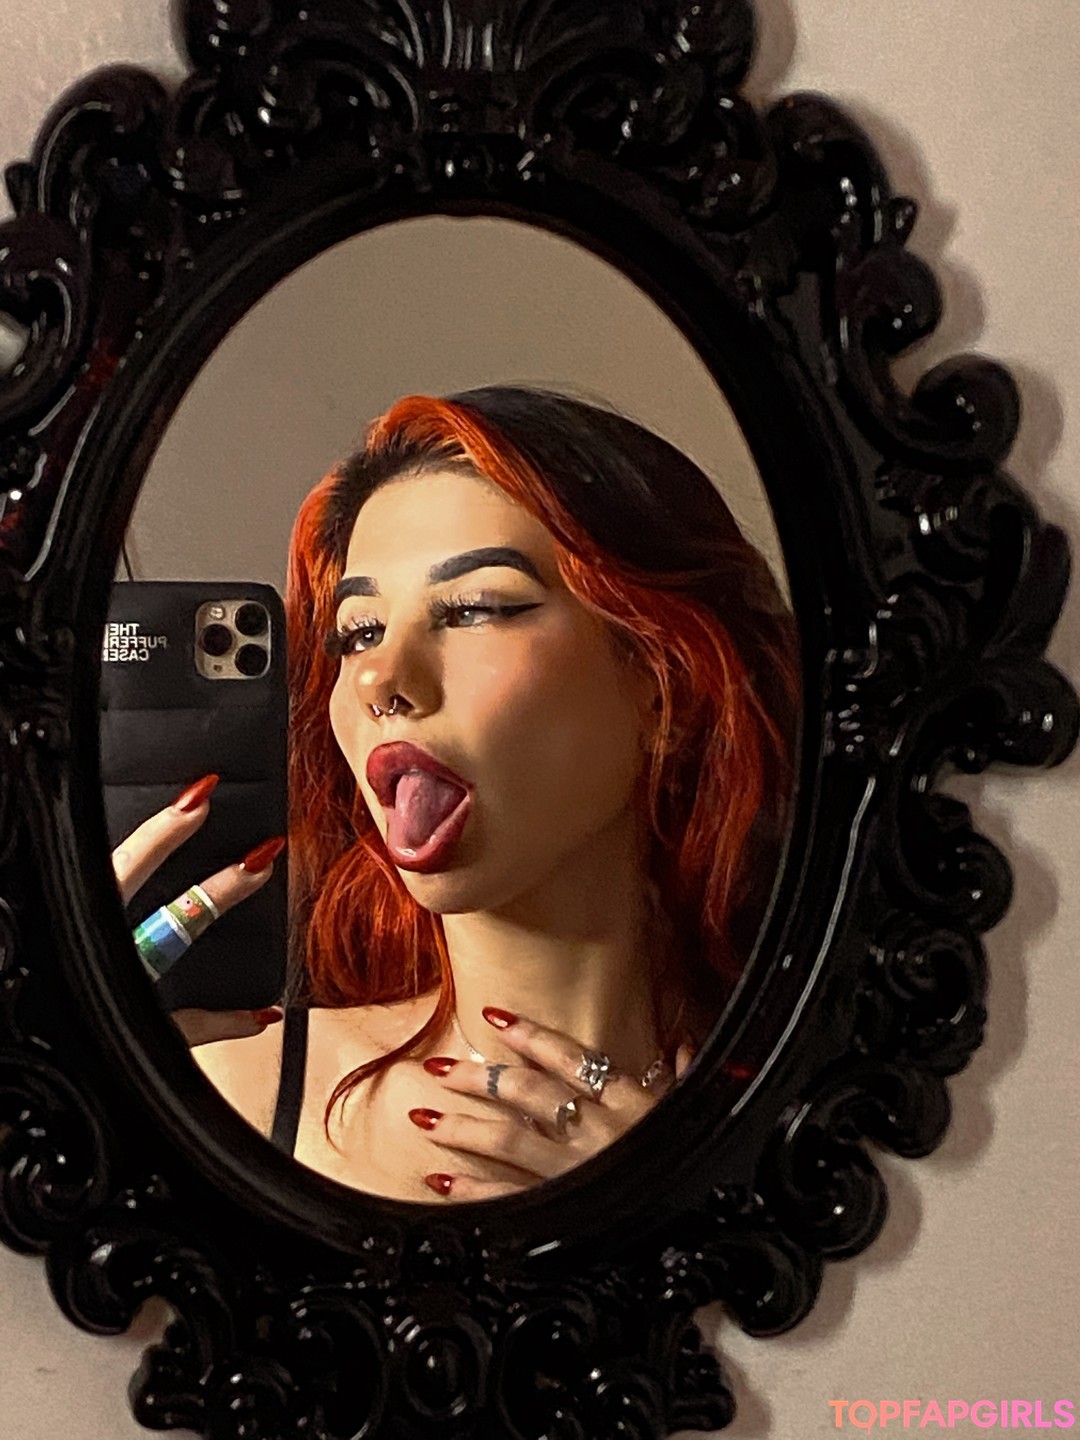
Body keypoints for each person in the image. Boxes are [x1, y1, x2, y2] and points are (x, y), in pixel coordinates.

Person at [113, 386, 798, 1203]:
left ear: (666, 687)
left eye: (475, 609)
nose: (379, 678)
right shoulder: (227, 1094)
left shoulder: (810, 1117)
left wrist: (675, 1219)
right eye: (359, 632)